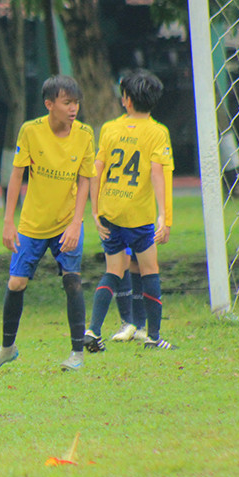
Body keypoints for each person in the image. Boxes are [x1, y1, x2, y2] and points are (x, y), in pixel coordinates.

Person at [0, 75, 96, 374]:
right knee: (16, 283)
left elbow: (85, 180)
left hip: (67, 221)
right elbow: (17, 175)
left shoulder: (84, 134)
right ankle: (7, 349)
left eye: (76, 103)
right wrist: (8, 221)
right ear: (49, 104)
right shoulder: (30, 131)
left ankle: (77, 354)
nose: (73, 109)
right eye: (67, 103)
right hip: (32, 223)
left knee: (72, 280)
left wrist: (76, 223)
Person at [84, 69, 176, 350]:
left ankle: (92, 330)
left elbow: (97, 170)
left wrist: (95, 210)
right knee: (149, 271)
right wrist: (165, 217)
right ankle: (154, 337)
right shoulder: (158, 132)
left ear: (126, 99)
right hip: (138, 215)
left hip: (111, 211)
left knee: (113, 271)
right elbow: (159, 174)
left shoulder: (110, 129)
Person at [110, 135, 174, 343]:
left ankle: (139, 325)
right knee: (125, 263)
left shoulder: (152, 133)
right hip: (120, 213)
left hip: (138, 215)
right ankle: (129, 322)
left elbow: (159, 174)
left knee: (137, 265)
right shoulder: (118, 130)